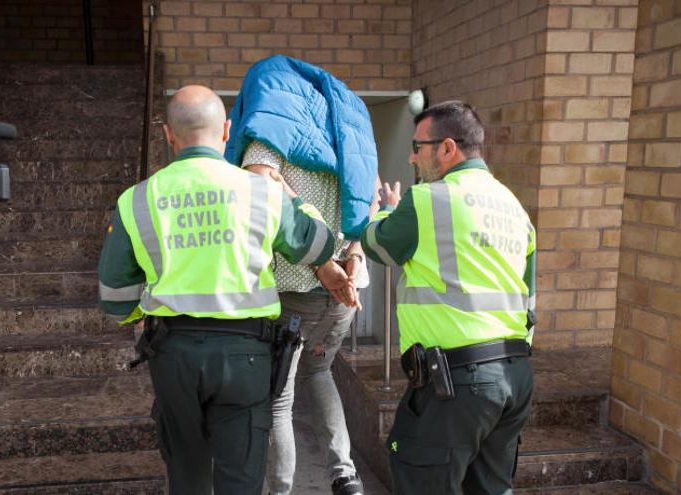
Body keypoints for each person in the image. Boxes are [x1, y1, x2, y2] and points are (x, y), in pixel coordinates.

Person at [97, 85, 334, 495]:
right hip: (246, 357)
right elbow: (319, 245)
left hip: (172, 355)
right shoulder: (261, 192)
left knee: (187, 476)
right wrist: (294, 196)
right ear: (226, 130)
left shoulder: (136, 200)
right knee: (241, 478)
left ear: (168, 135)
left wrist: (146, 313)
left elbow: (116, 300)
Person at [361, 101, 536, 494]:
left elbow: (377, 246)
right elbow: (529, 301)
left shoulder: (427, 199)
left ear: (447, 148)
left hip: (455, 383)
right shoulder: (514, 207)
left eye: (418, 146)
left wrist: (384, 212)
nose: (411, 155)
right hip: (513, 376)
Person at [225, 55, 378, 495]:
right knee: (322, 372)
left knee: (278, 399)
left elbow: (262, 183)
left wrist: (324, 266)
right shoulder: (347, 137)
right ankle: (344, 474)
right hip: (342, 297)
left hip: (296, 292)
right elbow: (366, 203)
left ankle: (281, 490)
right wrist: (351, 259)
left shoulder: (270, 132)